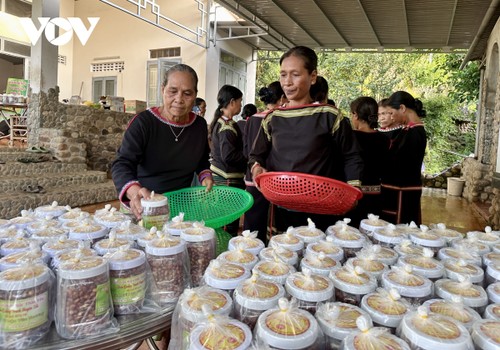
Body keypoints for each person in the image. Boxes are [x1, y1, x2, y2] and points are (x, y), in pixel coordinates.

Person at [249, 46, 364, 233]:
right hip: (283, 206)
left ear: (312, 76)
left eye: (295, 74)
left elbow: (351, 156)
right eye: (283, 75)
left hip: (323, 208)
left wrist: (353, 192)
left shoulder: (329, 115)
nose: (287, 82)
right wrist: (256, 168)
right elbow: (256, 155)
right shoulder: (273, 118)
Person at [112, 64, 213, 219]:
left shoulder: (199, 126)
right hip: (143, 204)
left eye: (187, 93)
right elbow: (122, 163)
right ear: (162, 89)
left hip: (180, 206)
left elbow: (201, 161)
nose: (179, 99)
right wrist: (134, 192)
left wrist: (205, 176)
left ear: (195, 95)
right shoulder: (144, 123)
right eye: (172, 91)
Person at [243, 82, 287, 243]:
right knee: (272, 222)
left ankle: (249, 250)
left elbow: (246, 149)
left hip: (251, 176)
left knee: (252, 220)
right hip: (270, 178)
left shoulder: (252, 118)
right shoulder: (278, 118)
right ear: (282, 97)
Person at [380, 91, 427, 225]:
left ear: (402, 108)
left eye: (391, 112)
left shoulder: (415, 132)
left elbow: (403, 164)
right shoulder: (408, 130)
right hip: (397, 190)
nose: (391, 117)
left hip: (403, 192)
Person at [209, 85, 246, 235]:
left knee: (226, 220)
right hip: (227, 179)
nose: (241, 105)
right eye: (239, 101)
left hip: (224, 177)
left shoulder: (222, 122)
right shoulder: (226, 127)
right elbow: (229, 156)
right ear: (232, 102)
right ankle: (224, 252)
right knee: (227, 223)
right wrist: (248, 157)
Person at [348, 96, 389, 227]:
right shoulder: (384, 139)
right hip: (376, 196)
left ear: (355, 115)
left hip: (353, 197)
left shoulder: (350, 137)